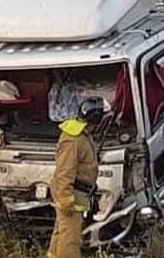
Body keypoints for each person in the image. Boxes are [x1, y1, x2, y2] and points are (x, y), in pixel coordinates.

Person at [48, 96, 110, 258]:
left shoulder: (82, 134)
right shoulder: (73, 140)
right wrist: (66, 200)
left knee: (62, 231)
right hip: (71, 193)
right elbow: (64, 172)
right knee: (70, 238)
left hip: (78, 192)